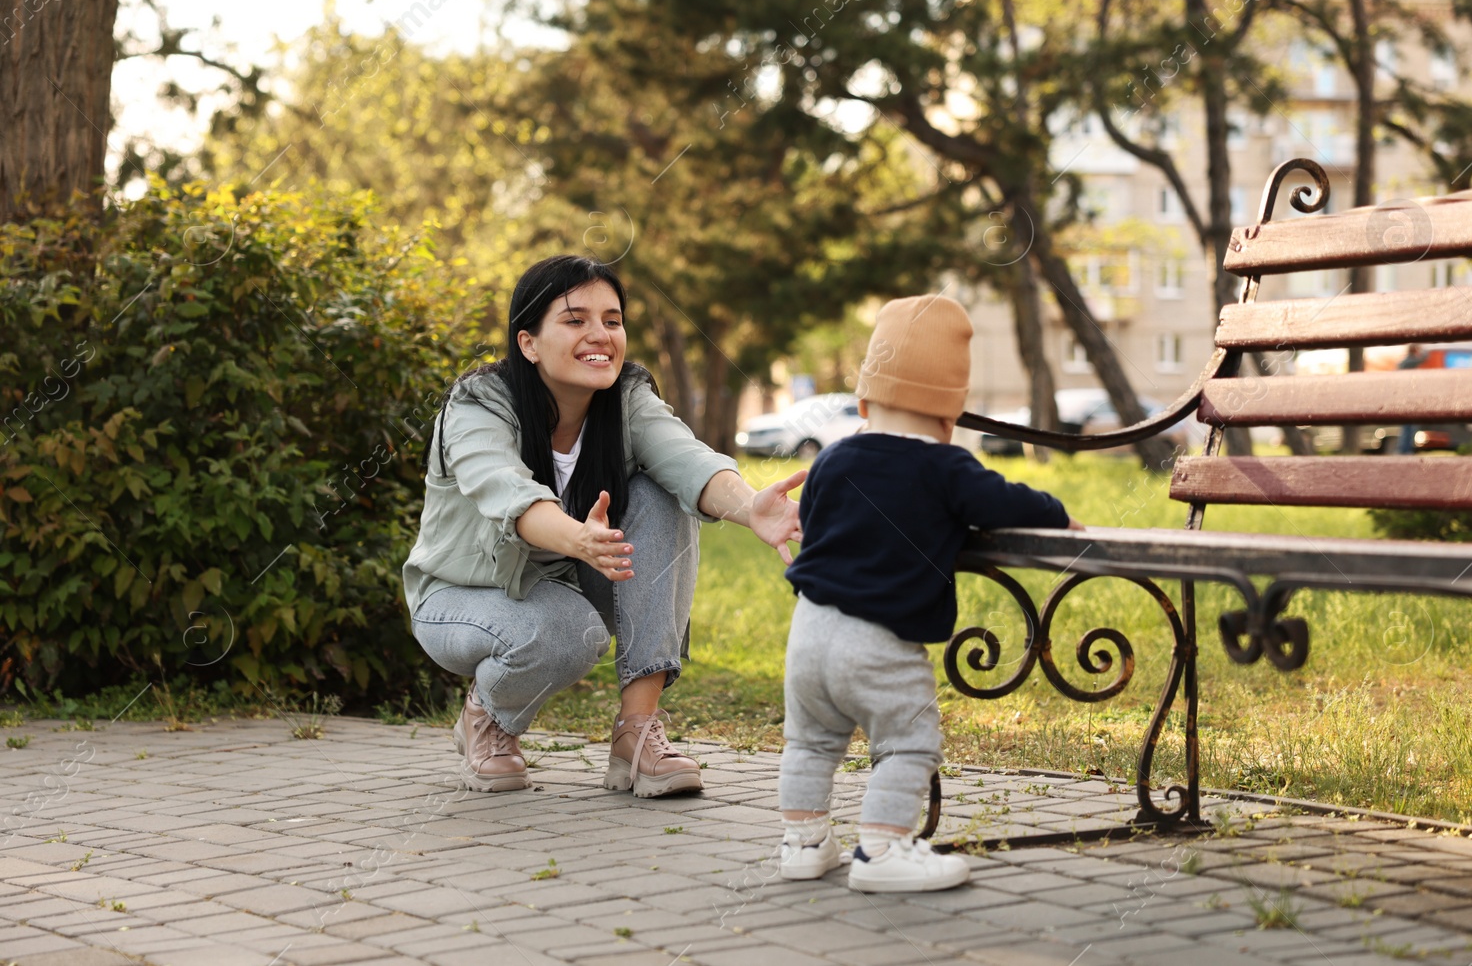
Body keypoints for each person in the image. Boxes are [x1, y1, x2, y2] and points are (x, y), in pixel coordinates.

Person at [403, 255, 803, 796]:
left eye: (612, 321)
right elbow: (505, 489)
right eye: (575, 320)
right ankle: (486, 717)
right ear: (528, 342)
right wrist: (579, 538)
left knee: (663, 493)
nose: (600, 335)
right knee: (569, 630)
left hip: (570, 582)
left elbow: (688, 460)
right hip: (463, 598)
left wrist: (751, 505)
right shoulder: (479, 404)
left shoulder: (626, 399)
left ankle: (635, 737)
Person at [775, 295, 1082, 893]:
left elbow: (812, 520)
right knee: (907, 746)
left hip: (809, 635)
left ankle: (803, 844)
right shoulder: (948, 469)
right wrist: (1056, 513)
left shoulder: (834, 459)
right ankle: (883, 851)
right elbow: (1009, 503)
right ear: (950, 419)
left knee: (809, 743)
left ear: (864, 402)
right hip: (880, 644)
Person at [1395, 343, 1427, 455]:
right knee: (1410, 425)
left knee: (1406, 425)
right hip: (1409, 397)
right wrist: (1421, 348)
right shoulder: (1410, 362)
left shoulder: (1402, 363)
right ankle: (1406, 449)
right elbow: (1425, 357)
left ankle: (1403, 449)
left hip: (1404, 397)